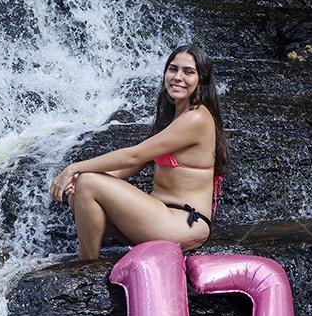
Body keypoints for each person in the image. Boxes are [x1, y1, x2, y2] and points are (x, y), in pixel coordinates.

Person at [50, 45, 228, 260]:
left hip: (184, 222)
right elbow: (133, 166)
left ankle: (86, 267)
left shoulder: (196, 118)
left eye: (188, 72)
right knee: (82, 189)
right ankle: (89, 263)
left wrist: (74, 168)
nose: (178, 77)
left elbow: (135, 155)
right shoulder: (175, 116)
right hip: (158, 216)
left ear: (202, 79)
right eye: (173, 69)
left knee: (88, 182)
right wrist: (80, 182)